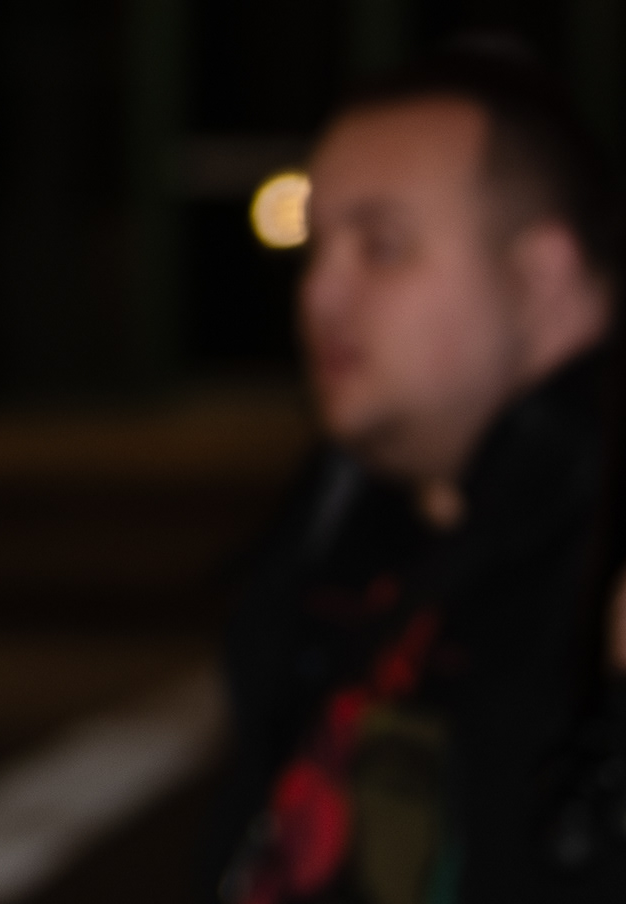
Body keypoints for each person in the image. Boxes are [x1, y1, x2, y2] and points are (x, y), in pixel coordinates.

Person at [218, 45, 625, 903]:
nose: (320, 292)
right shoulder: (342, 523)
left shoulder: (590, 572)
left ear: (539, 276)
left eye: (383, 246)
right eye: (316, 243)